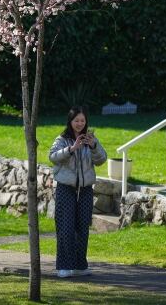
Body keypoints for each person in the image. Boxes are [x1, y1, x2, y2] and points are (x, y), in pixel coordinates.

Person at [48, 106, 107, 278]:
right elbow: (52, 157)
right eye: (76, 121)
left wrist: (94, 146)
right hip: (66, 188)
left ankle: (80, 265)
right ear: (70, 121)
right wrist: (71, 149)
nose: (80, 124)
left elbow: (102, 159)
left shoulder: (91, 139)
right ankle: (64, 267)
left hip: (86, 189)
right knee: (66, 228)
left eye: (82, 120)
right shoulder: (62, 139)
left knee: (83, 228)